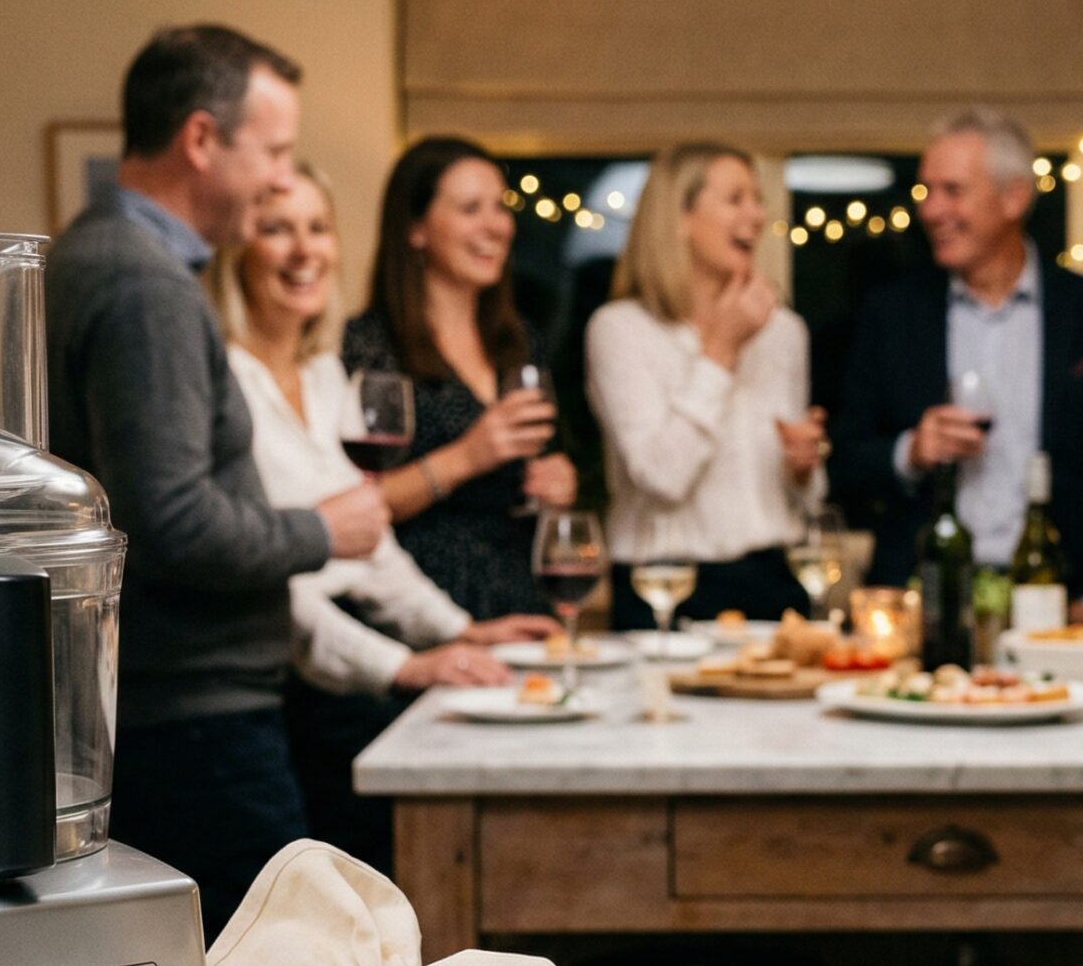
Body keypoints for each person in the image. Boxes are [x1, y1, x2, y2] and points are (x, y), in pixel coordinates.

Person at [46, 24, 389, 936]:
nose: (282, 178)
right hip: (198, 720)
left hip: (171, 709)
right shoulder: (143, 285)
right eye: (272, 153)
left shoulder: (98, 251)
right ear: (201, 140)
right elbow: (166, 520)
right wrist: (326, 531)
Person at [205, 162, 559, 868]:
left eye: (318, 228)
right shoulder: (222, 381)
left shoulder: (324, 373)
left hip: (348, 672)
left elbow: (372, 542)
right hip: (286, 684)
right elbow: (286, 589)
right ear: (237, 248)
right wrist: (404, 665)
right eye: (277, 230)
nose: (305, 251)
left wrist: (461, 628)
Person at [830, 108, 1083, 621]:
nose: (932, 210)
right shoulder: (890, 315)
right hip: (922, 600)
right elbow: (844, 463)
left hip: (1056, 601)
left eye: (953, 191)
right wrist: (912, 450)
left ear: (1014, 197)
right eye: (926, 191)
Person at [587, 142, 828, 626]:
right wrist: (721, 350)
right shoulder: (620, 329)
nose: (757, 216)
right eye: (736, 198)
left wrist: (804, 467)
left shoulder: (784, 332)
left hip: (773, 578)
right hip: (664, 586)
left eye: (758, 199)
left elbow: (805, 499)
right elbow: (661, 478)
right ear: (680, 218)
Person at [341, 137, 580, 620]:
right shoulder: (371, 346)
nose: (496, 226)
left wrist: (559, 485)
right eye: (471, 208)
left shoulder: (518, 343)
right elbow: (351, 506)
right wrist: (468, 456)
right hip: (422, 607)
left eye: (500, 207)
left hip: (522, 601)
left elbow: (543, 469)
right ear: (415, 229)